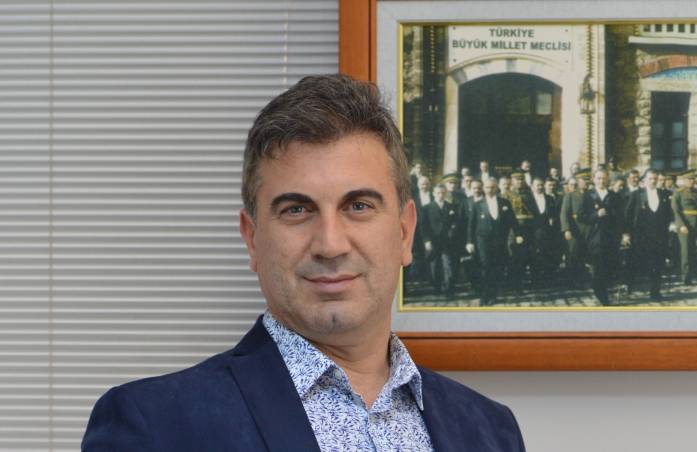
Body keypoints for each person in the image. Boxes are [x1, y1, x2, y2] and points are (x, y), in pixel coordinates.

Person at [81, 74, 525, 451]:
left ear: (405, 232)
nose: (330, 245)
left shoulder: (491, 432)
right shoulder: (156, 426)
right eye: (297, 210)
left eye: (358, 206)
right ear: (252, 239)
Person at [466, 177, 518, 305]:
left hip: (499, 239)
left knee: (497, 266)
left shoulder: (505, 203)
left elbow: (512, 220)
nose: (490, 190)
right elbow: (471, 225)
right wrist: (470, 242)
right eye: (487, 187)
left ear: (497, 188)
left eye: (492, 187)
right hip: (483, 240)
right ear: (484, 188)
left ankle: (493, 294)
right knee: (485, 266)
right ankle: (484, 295)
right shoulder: (477, 205)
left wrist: (518, 234)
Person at [623, 169, 672, 300]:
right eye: (650, 178)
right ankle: (629, 287)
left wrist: (670, 226)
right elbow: (628, 215)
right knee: (634, 262)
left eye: (655, 178)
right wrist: (626, 233)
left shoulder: (664, 194)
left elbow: (668, 214)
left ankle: (655, 292)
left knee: (657, 263)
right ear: (644, 180)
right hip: (640, 235)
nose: (653, 181)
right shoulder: (636, 194)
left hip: (659, 235)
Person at [582, 169, 625, 305]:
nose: (601, 181)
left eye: (604, 178)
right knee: (597, 267)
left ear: (608, 180)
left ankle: (602, 290)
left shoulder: (614, 196)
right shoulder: (588, 195)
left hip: (611, 237)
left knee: (608, 267)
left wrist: (622, 234)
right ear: (594, 179)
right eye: (598, 178)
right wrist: (596, 215)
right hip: (595, 237)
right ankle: (602, 296)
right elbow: (582, 216)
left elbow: (620, 217)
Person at [672, 170, 697, 285]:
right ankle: (686, 277)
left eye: (693, 179)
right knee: (686, 252)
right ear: (684, 181)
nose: (692, 181)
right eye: (689, 179)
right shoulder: (678, 193)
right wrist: (681, 225)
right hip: (686, 225)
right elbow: (676, 211)